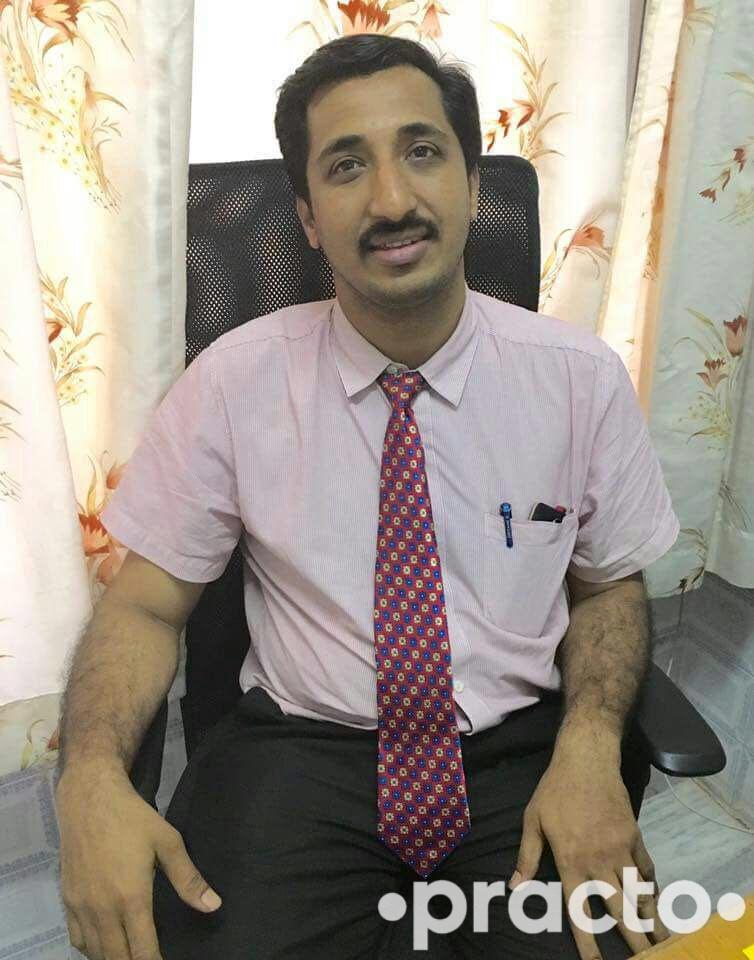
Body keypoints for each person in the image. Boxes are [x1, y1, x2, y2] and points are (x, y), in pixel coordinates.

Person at [55, 33, 681, 960]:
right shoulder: (232, 384)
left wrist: (590, 747)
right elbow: (143, 607)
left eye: (421, 151)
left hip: (518, 758)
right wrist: (90, 779)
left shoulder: (579, 380)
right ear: (308, 218)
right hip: (301, 758)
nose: (391, 200)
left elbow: (609, 586)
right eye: (347, 167)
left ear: (472, 184)